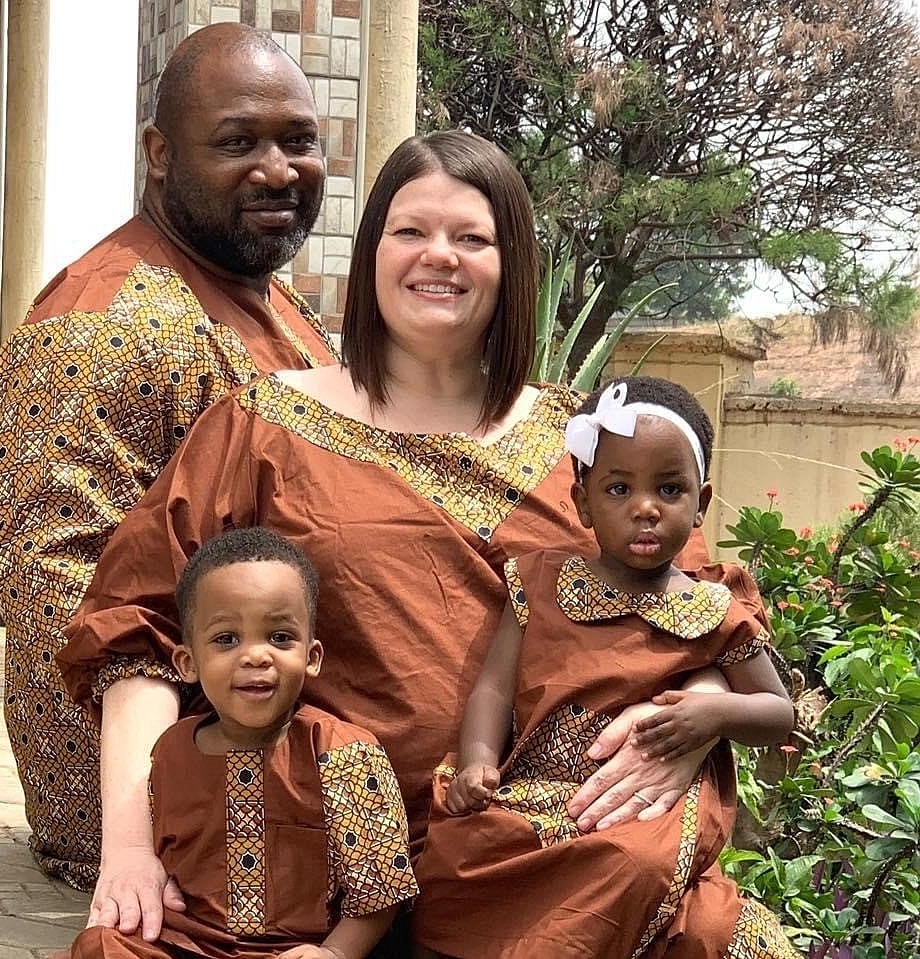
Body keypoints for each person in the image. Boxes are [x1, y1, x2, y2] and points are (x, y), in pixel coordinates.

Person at [58, 131, 767, 951]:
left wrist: (685, 727)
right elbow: (136, 635)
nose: (441, 257)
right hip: (309, 870)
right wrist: (134, 848)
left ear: (514, 266)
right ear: (370, 253)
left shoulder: (595, 445)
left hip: (543, 856)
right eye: (410, 232)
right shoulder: (261, 427)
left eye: (473, 237)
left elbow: (707, 613)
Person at [0, 22, 336, 894]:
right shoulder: (102, 327)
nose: (277, 169)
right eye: (237, 141)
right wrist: (138, 825)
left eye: (298, 140)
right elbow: (58, 599)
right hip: (178, 788)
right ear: (159, 153)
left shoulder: (279, 309)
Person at [411, 376, 797, 958]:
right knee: (451, 863)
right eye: (619, 489)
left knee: (634, 864)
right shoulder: (539, 582)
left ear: (702, 504)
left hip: (645, 808)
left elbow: (778, 713)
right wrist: (478, 762)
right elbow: (492, 688)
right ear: (583, 501)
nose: (645, 509)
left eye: (669, 490)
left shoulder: (715, 610)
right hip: (537, 791)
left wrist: (715, 713)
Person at [69, 527, 418, 959]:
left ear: (311, 658)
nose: (256, 656)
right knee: (99, 947)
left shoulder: (343, 753)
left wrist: (335, 954)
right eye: (227, 639)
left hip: (295, 951)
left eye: (279, 637)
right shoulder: (171, 752)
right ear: (188, 663)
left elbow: (383, 891)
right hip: (189, 943)